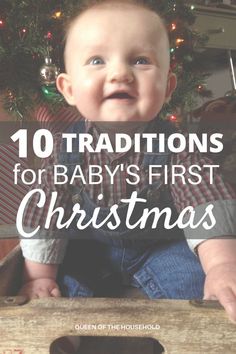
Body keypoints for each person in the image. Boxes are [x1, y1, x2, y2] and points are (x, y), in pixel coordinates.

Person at [19, 0, 236, 327]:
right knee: (58, 294)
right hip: (92, 249)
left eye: (140, 60)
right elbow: (46, 210)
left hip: (159, 247)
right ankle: (61, 340)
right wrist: (39, 276)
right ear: (69, 88)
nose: (120, 73)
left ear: (167, 88)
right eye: (96, 60)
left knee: (195, 286)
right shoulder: (64, 151)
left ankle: (191, 339)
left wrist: (221, 265)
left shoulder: (178, 148)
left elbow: (205, 202)